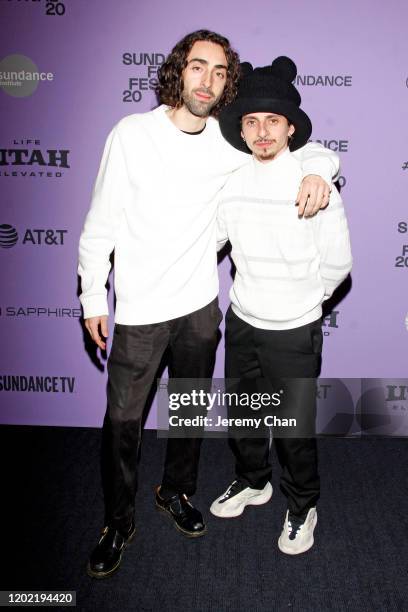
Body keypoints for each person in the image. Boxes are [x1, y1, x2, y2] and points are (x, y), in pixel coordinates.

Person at [78, 30, 339, 578]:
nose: (208, 81)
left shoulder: (229, 141)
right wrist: (91, 294)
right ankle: (118, 522)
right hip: (143, 311)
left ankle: (177, 492)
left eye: (220, 73)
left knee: (189, 414)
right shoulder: (131, 134)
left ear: (227, 84)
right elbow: (100, 223)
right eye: (199, 68)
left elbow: (293, 141)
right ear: (179, 71)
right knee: (124, 423)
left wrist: (321, 166)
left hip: (201, 306)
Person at [210, 56, 352, 555]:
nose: (262, 131)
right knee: (246, 417)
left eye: (273, 120)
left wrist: (303, 303)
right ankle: (253, 481)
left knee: (293, 431)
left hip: (293, 329)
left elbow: (338, 265)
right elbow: (215, 240)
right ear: (241, 129)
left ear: (291, 128)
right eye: (251, 121)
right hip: (243, 320)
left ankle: (302, 505)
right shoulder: (231, 181)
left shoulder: (314, 180)